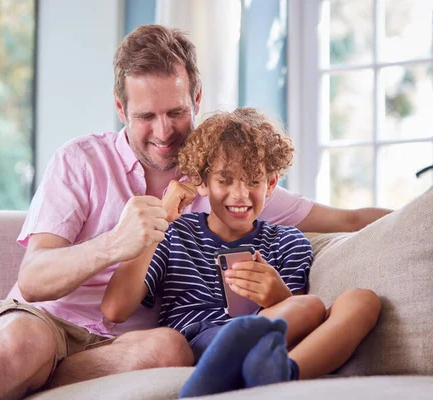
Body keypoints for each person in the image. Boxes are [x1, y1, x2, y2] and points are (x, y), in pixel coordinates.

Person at [0, 24, 389, 399]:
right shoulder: (81, 161)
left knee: (171, 350)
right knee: (21, 344)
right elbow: (34, 279)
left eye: (176, 112)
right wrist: (114, 244)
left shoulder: (224, 176)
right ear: (121, 108)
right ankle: (25, 368)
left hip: (126, 346)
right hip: (47, 324)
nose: (164, 133)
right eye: (145, 116)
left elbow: (347, 220)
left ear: (196, 98)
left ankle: (35, 383)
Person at [101, 108, 382, 397]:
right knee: (310, 306)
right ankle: (242, 363)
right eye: (225, 180)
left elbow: (296, 323)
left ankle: (280, 373)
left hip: (268, 346)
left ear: (271, 183)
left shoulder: (288, 242)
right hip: (202, 342)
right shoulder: (175, 234)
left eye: (253, 180)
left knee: (362, 301)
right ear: (201, 181)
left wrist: (278, 296)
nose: (240, 194)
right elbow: (114, 310)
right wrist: (161, 218)